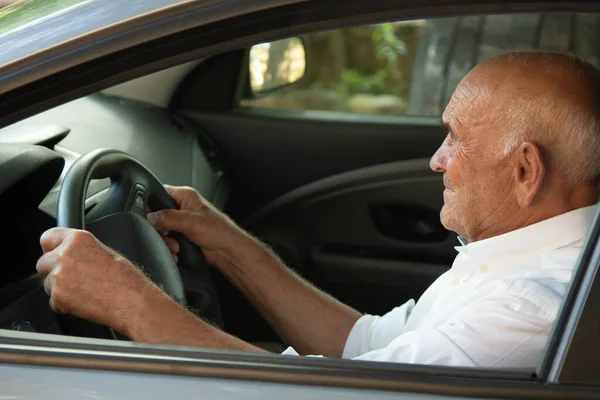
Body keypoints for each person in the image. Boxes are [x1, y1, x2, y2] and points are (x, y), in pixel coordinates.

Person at [36, 51, 600, 368]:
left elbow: (326, 393)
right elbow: (365, 347)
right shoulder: (519, 262)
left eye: (456, 138)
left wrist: (129, 300)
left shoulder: (525, 307)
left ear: (526, 172)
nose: (436, 160)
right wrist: (228, 243)